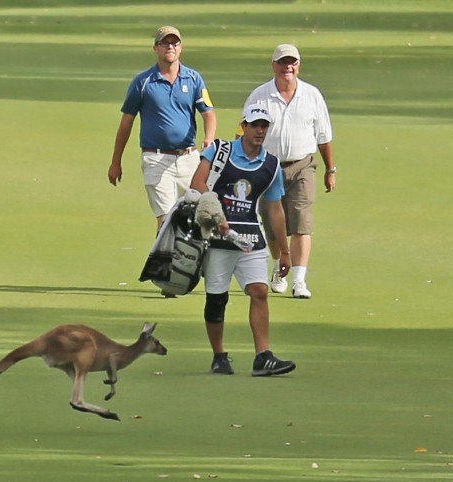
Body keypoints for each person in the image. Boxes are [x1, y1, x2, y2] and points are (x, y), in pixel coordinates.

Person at [190, 103, 296, 376]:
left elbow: (274, 209)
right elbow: (198, 183)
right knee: (217, 298)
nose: (260, 130)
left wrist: (284, 252)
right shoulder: (219, 151)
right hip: (216, 238)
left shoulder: (270, 165)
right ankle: (219, 355)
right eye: (255, 125)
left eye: (264, 126)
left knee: (259, 291)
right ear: (244, 126)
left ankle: (263, 356)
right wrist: (216, 214)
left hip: (250, 238)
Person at [243, 43, 337, 299]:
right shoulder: (259, 96)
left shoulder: (312, 95)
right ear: (273, 66)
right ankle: (278, 266)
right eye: (283, 63)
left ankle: (299, 281)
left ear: (299, 65)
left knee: (301, 222)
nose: (288, 67)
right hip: (267, 167)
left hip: (302, 165)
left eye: (292, 62)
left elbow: (323, 136)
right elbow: (247, 134)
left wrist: (331, 168)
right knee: (273, 228)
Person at [108, 25, 217, 230]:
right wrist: (116, 162)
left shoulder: (193, 79)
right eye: (164, 43)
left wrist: (209, 138)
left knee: (201, 217)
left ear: (181, 48)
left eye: (174, 43)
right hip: (156, 159)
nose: (170, 47)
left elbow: (208, 113)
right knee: (167, 222)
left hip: (189, 158)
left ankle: (192, 261)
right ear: (155, 48)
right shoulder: (143, 82)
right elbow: (126, 123)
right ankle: (166, 262)